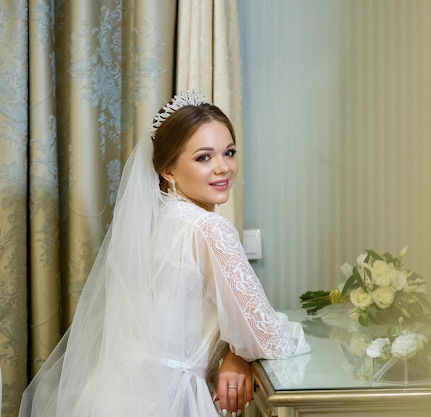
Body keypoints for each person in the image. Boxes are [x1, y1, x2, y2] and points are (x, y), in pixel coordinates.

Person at [19, 91, 311, 417]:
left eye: (229, 152)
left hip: (110, 392)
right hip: (167, 398)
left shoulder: (156, 221)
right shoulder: (210, 228)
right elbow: (266, 337)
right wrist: (242, 352)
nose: (223, 168)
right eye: (204, 157)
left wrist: (236, 352)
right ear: (168, 170)